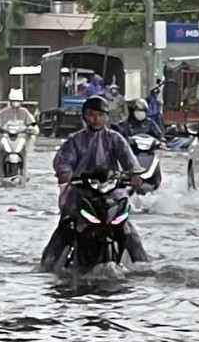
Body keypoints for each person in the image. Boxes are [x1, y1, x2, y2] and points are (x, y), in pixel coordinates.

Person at [41, 96, 150, 268]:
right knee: (65, 228)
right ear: (85, 116)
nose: (96, 119)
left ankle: (143, 265)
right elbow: (63, 162)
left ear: (106, 117)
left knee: (127, 231)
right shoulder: (75, 140)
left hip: (112, 195)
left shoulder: (116, 139)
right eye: (92, 115)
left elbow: (131, 162)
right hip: (80, 195)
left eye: (100, 115)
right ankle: (47, 264)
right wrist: (65, 174)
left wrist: (136, 176)